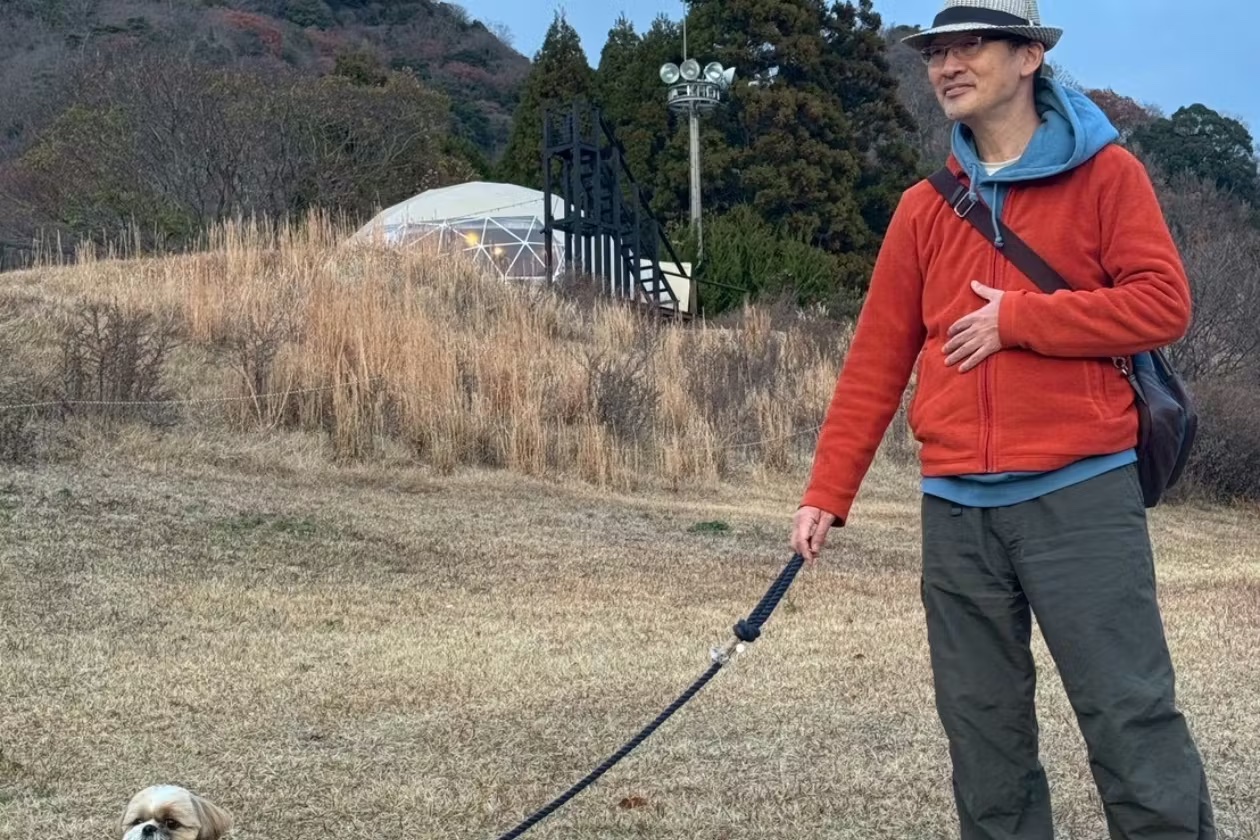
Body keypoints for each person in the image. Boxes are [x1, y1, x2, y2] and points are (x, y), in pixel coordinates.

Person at [789, 1, 1216, 837]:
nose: (946, 65)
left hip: (1082, 495)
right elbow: (875, 360)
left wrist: (1022, 321)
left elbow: (1165, 304)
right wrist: (825, 492)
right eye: (935, 52)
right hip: (955, 508)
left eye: (969, 46)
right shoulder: (924, 207)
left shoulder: (1107, 177)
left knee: (1129, 719)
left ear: (1028, 58)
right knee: (984, 741)